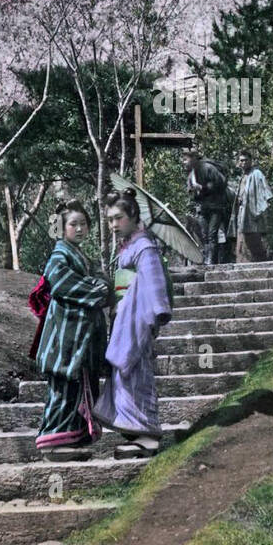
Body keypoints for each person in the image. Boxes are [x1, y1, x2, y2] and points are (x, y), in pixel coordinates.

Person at [93, 190, 172, 458]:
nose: (114, 225)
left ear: (133, 216)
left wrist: (156, 316)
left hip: (138, 316)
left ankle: (147, 433)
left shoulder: (145, 247)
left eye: (119, 218)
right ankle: (135, 431)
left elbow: (155, 283)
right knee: (123, 374)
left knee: (136, 371)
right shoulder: (129, 245)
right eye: (110, 219)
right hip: (124, 315)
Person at [33, 202, 110, 455]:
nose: (79, 229)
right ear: (63, 228)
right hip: (64, 336)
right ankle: (53, 442)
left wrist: (101, 285)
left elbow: (104, 281)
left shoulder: (82, 257)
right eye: (73, 224)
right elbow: (60, 283)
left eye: (83, 224)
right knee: (63, 391)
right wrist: (95, 288)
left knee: (78, 390)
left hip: (81, 338)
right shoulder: (59, 255)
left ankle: (73, 439)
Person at [182, 144, 230, 266]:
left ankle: (211, 261)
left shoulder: (208, 168)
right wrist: (193, 191)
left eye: (186, 159)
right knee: (204, 234)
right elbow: (191, 193)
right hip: (202, 208)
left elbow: (221, 183)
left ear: (193, 158)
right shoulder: (191, 174)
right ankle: (207, 258)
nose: (184, 162)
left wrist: (203, 188)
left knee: (212, 234)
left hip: (215, 207)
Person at [228, 149, 273, 262]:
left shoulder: (257, 174)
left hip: (253, 213)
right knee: (241, 238)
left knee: (253, 239)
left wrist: (260, 210)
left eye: (246, 160)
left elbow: (267, 192)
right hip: (241, 212)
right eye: (241, 160)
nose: (243, 163)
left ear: (251, 161)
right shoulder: (242, 177)